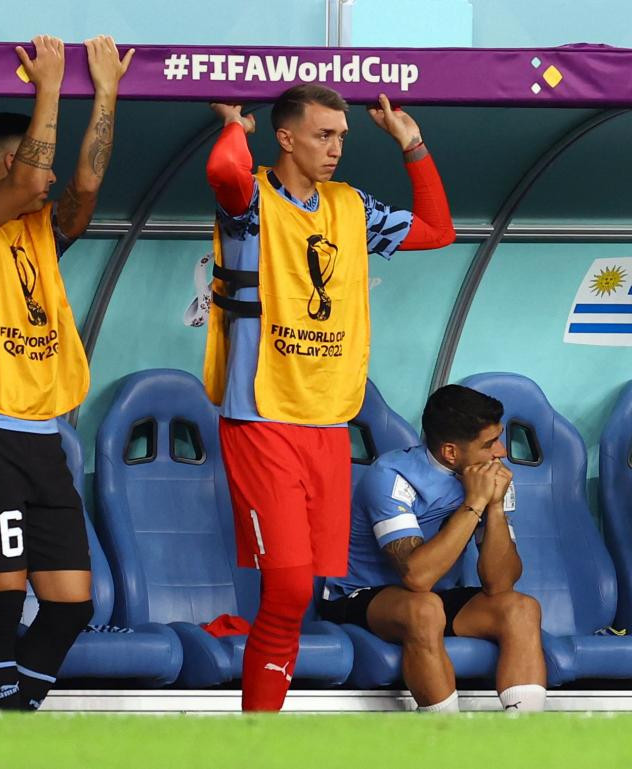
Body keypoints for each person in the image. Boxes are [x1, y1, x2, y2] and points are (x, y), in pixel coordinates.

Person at [204, 84, 455, 711]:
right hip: (260, 415)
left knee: (301, 593)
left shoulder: (351, 206)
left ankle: (265, 727)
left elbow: (438, 230)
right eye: (323, 134)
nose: (337, 147)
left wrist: (412, 144)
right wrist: (235, 126)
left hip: (327, 421)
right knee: (286, 589)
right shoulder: (253, 203)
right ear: (285, 138)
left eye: (342, 135)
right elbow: (224, 171)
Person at [0, 35, 132, 711]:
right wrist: (49, 88)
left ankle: (11, 720)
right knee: (2, 598)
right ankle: (0, 732)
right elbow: (33, 179)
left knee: (68, 605)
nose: (50, 177)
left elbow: (82, 184)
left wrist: (106, 89)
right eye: (35, 159)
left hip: (42, 434)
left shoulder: (39, 234)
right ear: (6, 158)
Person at [320, 385, 546, 713]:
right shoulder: (391, 476)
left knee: (522, 609)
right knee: (424, 608)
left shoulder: (487, 478)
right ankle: (445, 742)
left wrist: (494, 507)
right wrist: (474, 502)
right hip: (359, 597)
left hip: (433, 599)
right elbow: (417, 577)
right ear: (450, 452)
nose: (501, 452)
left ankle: (524, 742)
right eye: (488, 444)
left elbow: (500, 583)